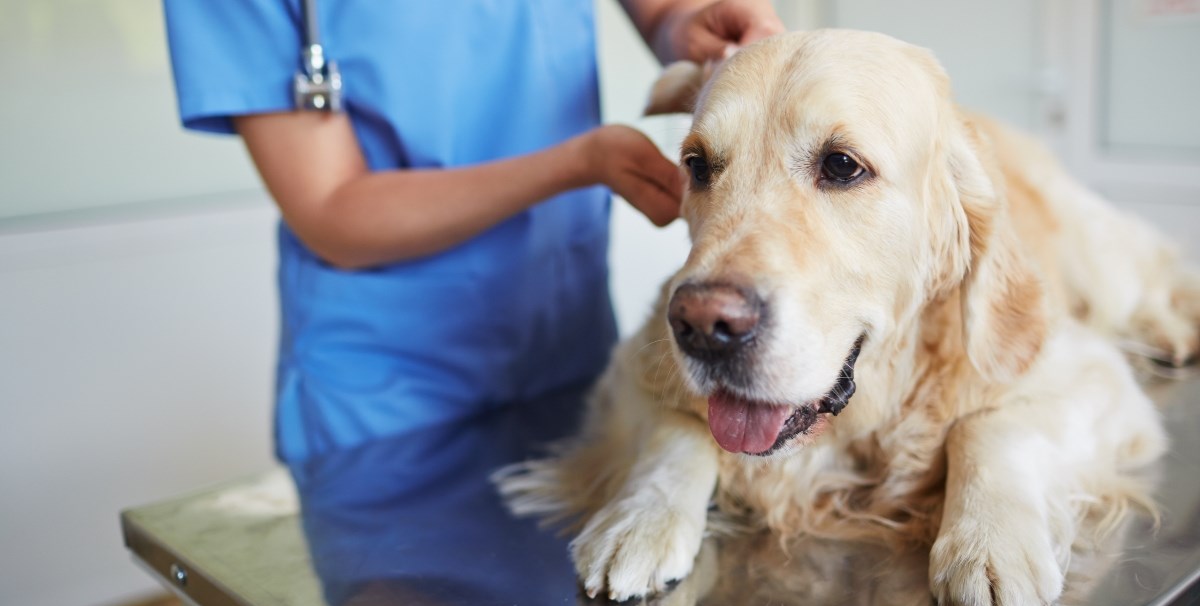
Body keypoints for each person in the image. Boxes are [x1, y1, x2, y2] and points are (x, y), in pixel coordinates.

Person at [162, 0, 784, 462]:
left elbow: (669, 11)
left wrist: (684, 22)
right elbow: (330, 207)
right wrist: (580, 162)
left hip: (567, 342)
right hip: (387, 385)